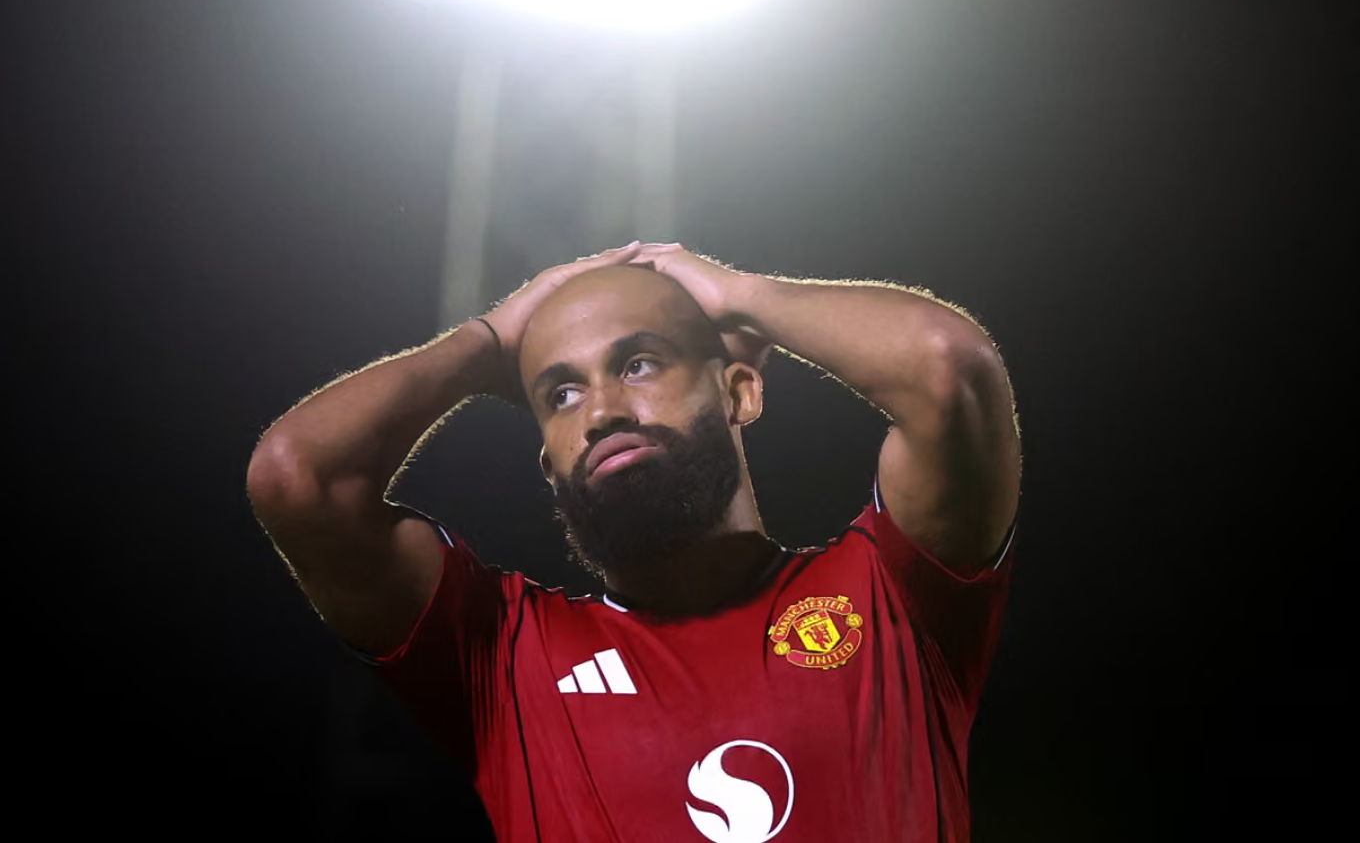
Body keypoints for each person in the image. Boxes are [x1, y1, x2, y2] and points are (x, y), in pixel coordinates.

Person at [247, 241, 1022, 843]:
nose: (602, 412)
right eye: (562, 392)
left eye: (640, 362)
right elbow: (298, 478)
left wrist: (740, 296)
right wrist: (487, 342)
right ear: (549, 465)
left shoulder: (891, 593)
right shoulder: (504, 657)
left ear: (738, 391)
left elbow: (948, 370)